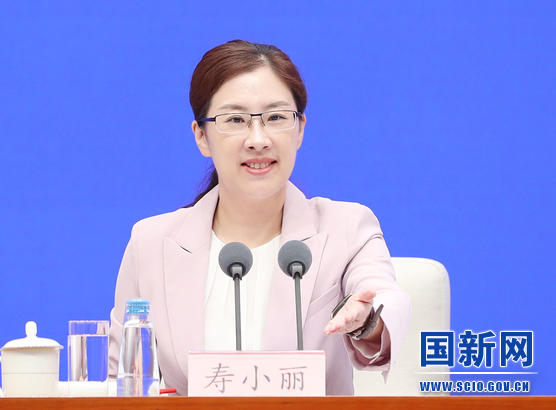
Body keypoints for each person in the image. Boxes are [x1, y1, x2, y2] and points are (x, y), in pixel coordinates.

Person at [108, 40, 411, 395]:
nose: (258, 139)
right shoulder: (152, 243)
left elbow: (383, 294)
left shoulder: (346, 228)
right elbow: (120, 384)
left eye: (276, 118)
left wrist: (366, 321)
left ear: (300, 129)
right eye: (235, 119)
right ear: (201, 136)